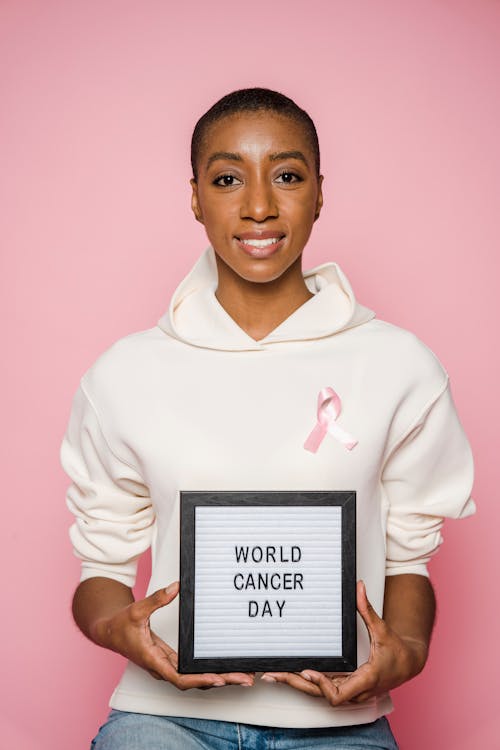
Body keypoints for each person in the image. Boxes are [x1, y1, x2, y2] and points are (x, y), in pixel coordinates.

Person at [60, 87, 475, 749]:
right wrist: (117, 629)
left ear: (318, 191)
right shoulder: (125, 373)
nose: (258, 206)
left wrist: (408, 651)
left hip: (339, 721)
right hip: (164, 718)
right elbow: (100, 570)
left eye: (287, 176)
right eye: (228, 179)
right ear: (195, 196)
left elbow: (410, 557)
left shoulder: (399, 364)